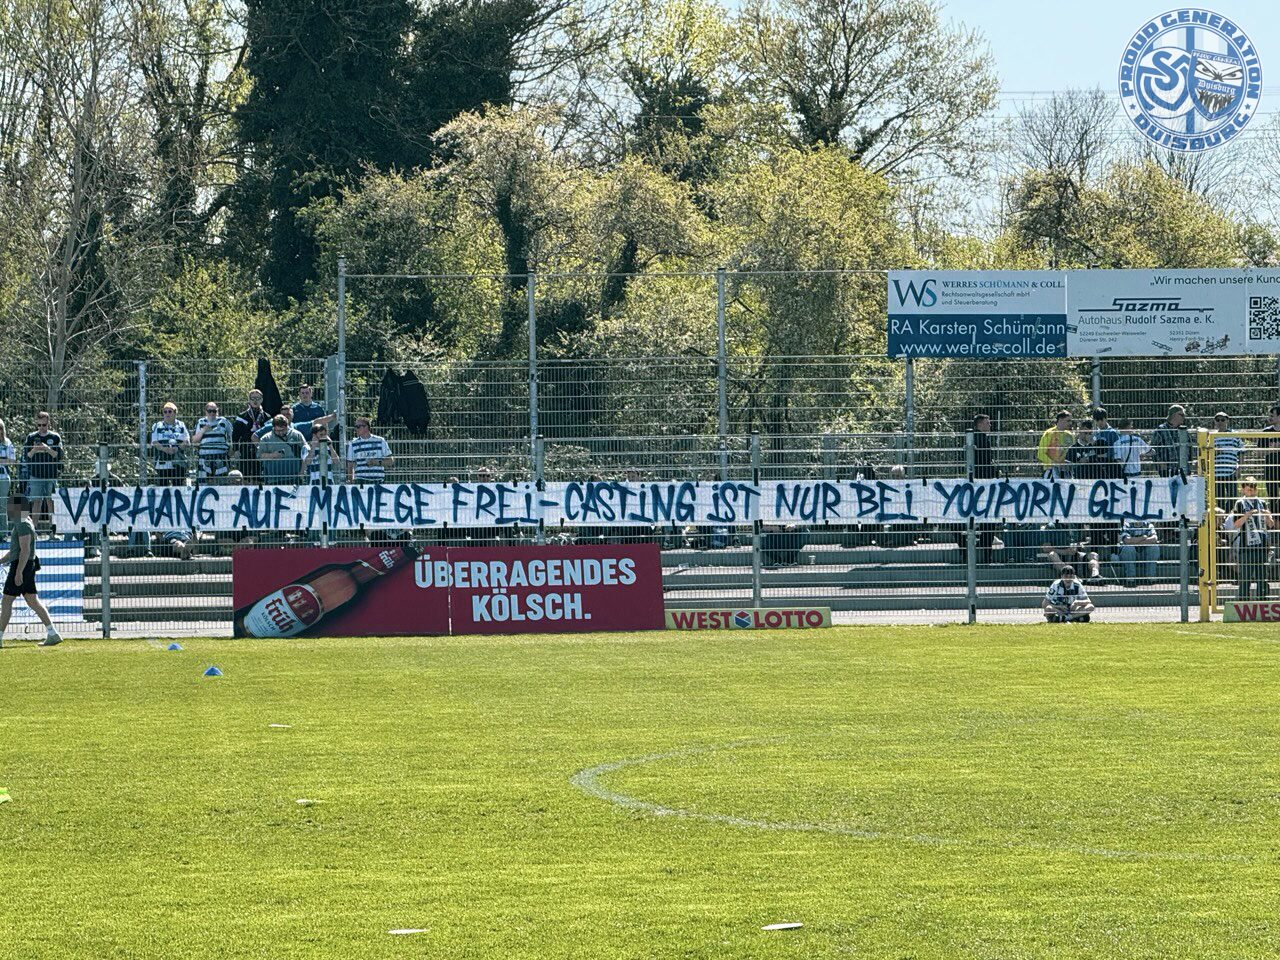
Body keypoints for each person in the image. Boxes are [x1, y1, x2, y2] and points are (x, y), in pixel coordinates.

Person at [0, 496, 61, 647]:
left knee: (7, 600)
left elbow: (25, 550)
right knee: (32, 600)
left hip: (22, 566)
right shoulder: (23, 522)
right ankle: (53, 633)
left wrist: (19, 571)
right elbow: (16, 550)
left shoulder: (22, 523)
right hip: (25, 565)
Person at [1229, 476, 1274, 601]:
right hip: (1246, 547)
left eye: (1254, 490)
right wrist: (1246, 516)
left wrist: (1267, 517)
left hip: (1262, 546)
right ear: (1243, 490)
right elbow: (1236, 524)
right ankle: (1243, 603)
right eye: (1249, 490)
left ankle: (1262, 602)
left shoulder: (1262, 503)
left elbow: (1271, 525)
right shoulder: (1240, 503)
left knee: (1262, 577)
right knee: (1245, 578)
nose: (1252, 492)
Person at [22, 412, 63, 536]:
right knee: (36, 502)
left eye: (44, 425)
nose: (41, 428)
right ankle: (33, 532)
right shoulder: (30, 437)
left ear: (48, 423)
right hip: (36, 475)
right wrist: (34, 449)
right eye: (39, 425)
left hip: (51, 475)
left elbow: (59, 456)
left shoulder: (55, 437)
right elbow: (27, 457)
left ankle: (53, 531)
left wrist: (46, 449)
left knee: (51, 502)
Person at [1211, 412, 1244, 517]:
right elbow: (1207, 453)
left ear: (1227, 421)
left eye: (1223, 420)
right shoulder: (1211, 436)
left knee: (1233, 497)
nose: (1220, 422)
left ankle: (1225, 516)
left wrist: (1240, 469)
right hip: (1216, 473)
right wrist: (1216, 452)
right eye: (1218, 420)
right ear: (1215, 422)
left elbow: (1241, 453)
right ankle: (1221, 521)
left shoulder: (1235, 435)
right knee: (1219, 498)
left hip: (1231, 472)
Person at [149, 402, 190, 486]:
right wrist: (165, 449)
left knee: (178, 488)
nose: (167, 413)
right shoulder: (157, 425)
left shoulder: (181, 425)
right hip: (162, 462)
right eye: (165, 411)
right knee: (163, 488)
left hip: (178, 462)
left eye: (170, 411)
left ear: (175, 413)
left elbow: (187, 441)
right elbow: (154, 442)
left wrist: (177, 448)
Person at [233, 389, 270, 479]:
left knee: (258, 476)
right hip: (245, 449)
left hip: (261, 449)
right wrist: (236, 450)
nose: (255, 401)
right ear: (249, 400)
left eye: (257, 398)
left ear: (261, 400)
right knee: (244, 475)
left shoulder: (267, 417)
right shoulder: (241, 416)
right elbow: (235, 435)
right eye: (252, 398)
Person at [192, 402, 234, 481]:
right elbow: (194, 440)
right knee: (203, 484)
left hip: (221, 456)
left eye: (214, 411)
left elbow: (233, 435)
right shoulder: (200, 422)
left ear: (217, 411)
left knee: (222, 483)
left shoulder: (223, 421)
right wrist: (203, 430)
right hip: (204, 457)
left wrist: (232, 448)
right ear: (205, 411)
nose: (212, 413)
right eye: (209, 411)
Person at [257, 414, 306, 482]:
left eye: (282, 430)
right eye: (277, 430)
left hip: (295, 477)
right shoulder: (266, 438)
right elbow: (259, 456)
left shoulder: (297, 435)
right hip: (273, 479)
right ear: (273, 427)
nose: (280, 433)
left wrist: (302, 473)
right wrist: (272, 455)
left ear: (287, 426)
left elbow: (306, 454)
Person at [346, 417, 393, 484]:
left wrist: (376, 462)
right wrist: (351, 480)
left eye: (358, 426)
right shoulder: (353, 443)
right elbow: (350, 464)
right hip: (360, 481)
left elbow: (390, 461)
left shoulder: (380, 441)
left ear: (366, 427)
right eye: (355, 427)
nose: (356, 429)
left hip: (378, 481)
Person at [1039, 538, 1105, 585]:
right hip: (1060, 555)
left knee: (1093, 555)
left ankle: (1095, 576)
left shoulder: (1074, 525)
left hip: (1076, 553)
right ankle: (1072, 577)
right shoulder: (1051, 526)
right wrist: (1065, 551)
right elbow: (1045, 548)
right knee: (1052, 554)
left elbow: (1083, 541)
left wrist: (1081, 545)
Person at [1118, 517, 1160, 588]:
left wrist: (1134, 541)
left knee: (1154, 548)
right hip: (1129, 555)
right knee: (1128, 548)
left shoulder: (1148, 524)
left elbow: (1154, 539)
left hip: (1144, 553)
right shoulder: (1127, 524)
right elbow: (1127, 540)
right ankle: (1130, 579)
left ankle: (1150, 578)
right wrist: (1143, 538)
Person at [1152, 404, 1189, 477]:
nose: (1184, 417)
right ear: (1174, 415)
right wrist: (1160, 462)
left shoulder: (1183, 430)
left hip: (1183, 468)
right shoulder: (1161, 430)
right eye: (1181, 415)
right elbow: (1153, 448)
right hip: (1166, 469)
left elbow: (1189, 447)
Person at [1036, 411, 1073, 477]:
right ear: (1061, 420)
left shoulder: (1070, 435)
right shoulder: (1049, 433)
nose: (1070, 423)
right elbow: (1040, 454)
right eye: (1068, 421)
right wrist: (1054, 464)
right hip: (1050, 470)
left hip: (1066, 471)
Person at [1259, 403, 1280, 518]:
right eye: (1269, 415)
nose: (1270, 417)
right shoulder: (1266, 431)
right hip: (1271, 470)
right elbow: (1258, 453)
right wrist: (1272, 450)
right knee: (1272, 498)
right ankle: (1274, 525)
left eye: (1272, 415)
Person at [1089, 407, 1121, 479]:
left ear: (1106, 418)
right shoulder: (1096, 434)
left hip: (1111, 467)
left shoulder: (1112, 433)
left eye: (1101, 419)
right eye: (1097, 420)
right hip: (1098, 468)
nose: (1100, 422)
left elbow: (1117, 452)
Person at [0, 419, 14, 541]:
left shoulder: (7, 442)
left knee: (2, 505)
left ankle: (3, 533)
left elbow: (12, 460)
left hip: (3, 478)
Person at [972, 414, 995, 479]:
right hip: (983, 472)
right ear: (980, 424)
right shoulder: (982, 438)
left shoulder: (974, 436)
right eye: (987, 423)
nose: (990, 425)